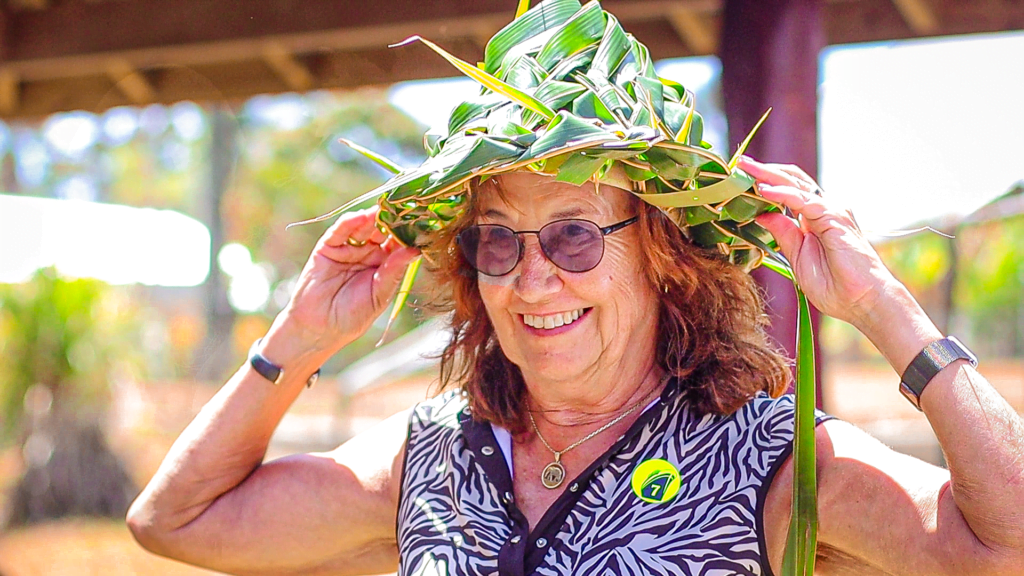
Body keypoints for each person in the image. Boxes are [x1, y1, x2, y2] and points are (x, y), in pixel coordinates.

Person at [127, 2, 1024, 574]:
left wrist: (881, 308)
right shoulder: (433, 462)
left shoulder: (771, 461)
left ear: (664, 255)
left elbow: (1007, 542)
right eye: (496, 243)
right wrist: (301, 336)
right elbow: (175, 520)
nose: (533, 276)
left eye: (573, 234)